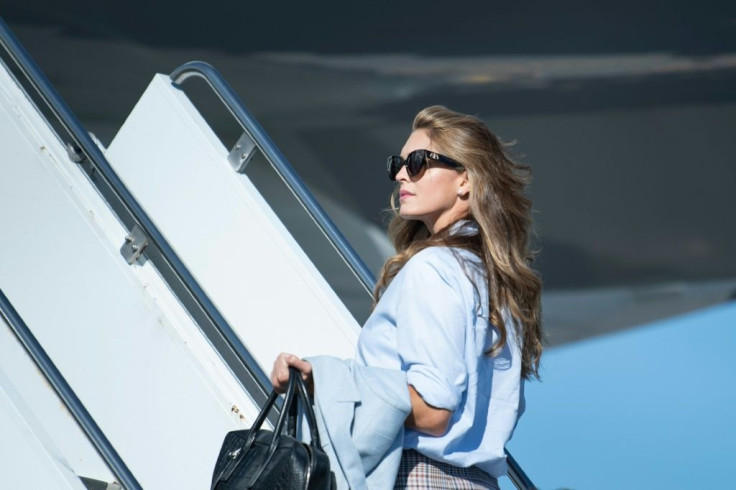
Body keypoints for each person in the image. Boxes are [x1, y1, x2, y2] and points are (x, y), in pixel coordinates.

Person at [271, 105, 543, 489]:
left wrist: (326, 382)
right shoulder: (496, 282)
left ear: (464, 179)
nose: (401, 173)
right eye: (398, 163)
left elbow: (433, 410)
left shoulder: (433, 268)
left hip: (417, 476)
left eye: (417, 162)